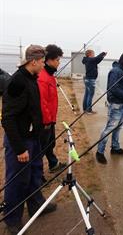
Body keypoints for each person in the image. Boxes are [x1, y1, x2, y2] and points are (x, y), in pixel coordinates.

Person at [1, 45, 57, 235]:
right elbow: (7, 118)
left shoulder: (32, 78)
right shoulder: (17, 82)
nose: (43, 65)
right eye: (42, 62)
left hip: (34, 139)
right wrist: (19, 149)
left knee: (35, 174)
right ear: (33, 61)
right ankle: (12, 219)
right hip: (20, 143)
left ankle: (36, 205)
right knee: (17, 180)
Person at [96, 52, 123, 164]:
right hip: (116, 105)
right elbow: (112, 88)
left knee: (118, 127)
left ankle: (115, 148)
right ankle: (99, 152)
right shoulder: (115, 71)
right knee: (109, 128)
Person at [38, 44, 66, 178]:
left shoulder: (50, 75)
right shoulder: (42, 78)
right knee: (40, 148)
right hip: (45, 120)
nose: (59, 62)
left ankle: (53, 164)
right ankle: (37, 175)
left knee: (50, 143)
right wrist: (47, 121)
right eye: (57, 60)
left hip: (51, 118)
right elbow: (42, 103)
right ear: (48, 60)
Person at [82, 49, 107, 114]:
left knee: (87, 94)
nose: (94, 55)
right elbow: (97, 58)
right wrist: (103, 53)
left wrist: (102, 57)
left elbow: (97, 60)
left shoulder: (88, 60)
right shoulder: (90, 60)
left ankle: (85, 109)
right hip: (90, 79)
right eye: (93, 53)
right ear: (90, 54)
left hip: (87, 79)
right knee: (90, 95)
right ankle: (89, 110)